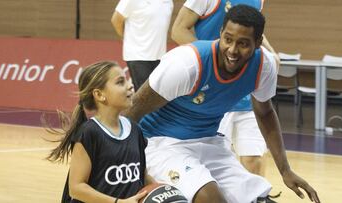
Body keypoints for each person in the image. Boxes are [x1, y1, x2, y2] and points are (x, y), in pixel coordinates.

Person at [124, 5, 320, 203]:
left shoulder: (264, 65)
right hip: (161, 143)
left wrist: (285, 170)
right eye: (228, 39)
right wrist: (120, 160)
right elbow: (133, 108)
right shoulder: (188, 63)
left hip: (209, 142)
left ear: (258, 42)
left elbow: (265, 113)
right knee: (211, 198)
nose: (233, 50)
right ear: (221, 33)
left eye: (243, 44)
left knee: (260, 200)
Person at [171, 0, 279, 176]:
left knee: (254, 158)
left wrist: (271, 52)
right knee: (217, 166)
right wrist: (210, 60)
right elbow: (178, 30)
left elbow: (253, 29)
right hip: (214, 95)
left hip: (246, 91)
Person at [46, 61, 153, 203]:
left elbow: (143, 175)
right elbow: (76, 188)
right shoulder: (89, 132)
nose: (130, 85)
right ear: (99, 94)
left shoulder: (135, 130)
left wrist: (163, 190)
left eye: (127, 79)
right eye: (121, 82)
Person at [111, 0, 174, 91]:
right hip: (138, 55)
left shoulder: (168, 2)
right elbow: (116, 20)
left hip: (160, 56)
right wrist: (126, 38)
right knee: (144, 97)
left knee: (157, 96)